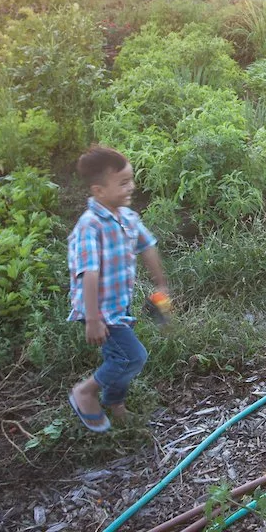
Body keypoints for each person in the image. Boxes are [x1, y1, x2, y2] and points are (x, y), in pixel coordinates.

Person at [67, 145, 170, 433]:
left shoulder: (127, 217)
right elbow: (88, 272)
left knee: (119, 359)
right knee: (133, 356)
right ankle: (85, 392)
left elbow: (147, 246)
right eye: (123, 183)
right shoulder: (90, 226)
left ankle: (116, 405)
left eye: (131, 180)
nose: (131, 187)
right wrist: (93, 318)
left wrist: (161, 284)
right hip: (100, 310)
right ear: (98, 191)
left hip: (118, 305)